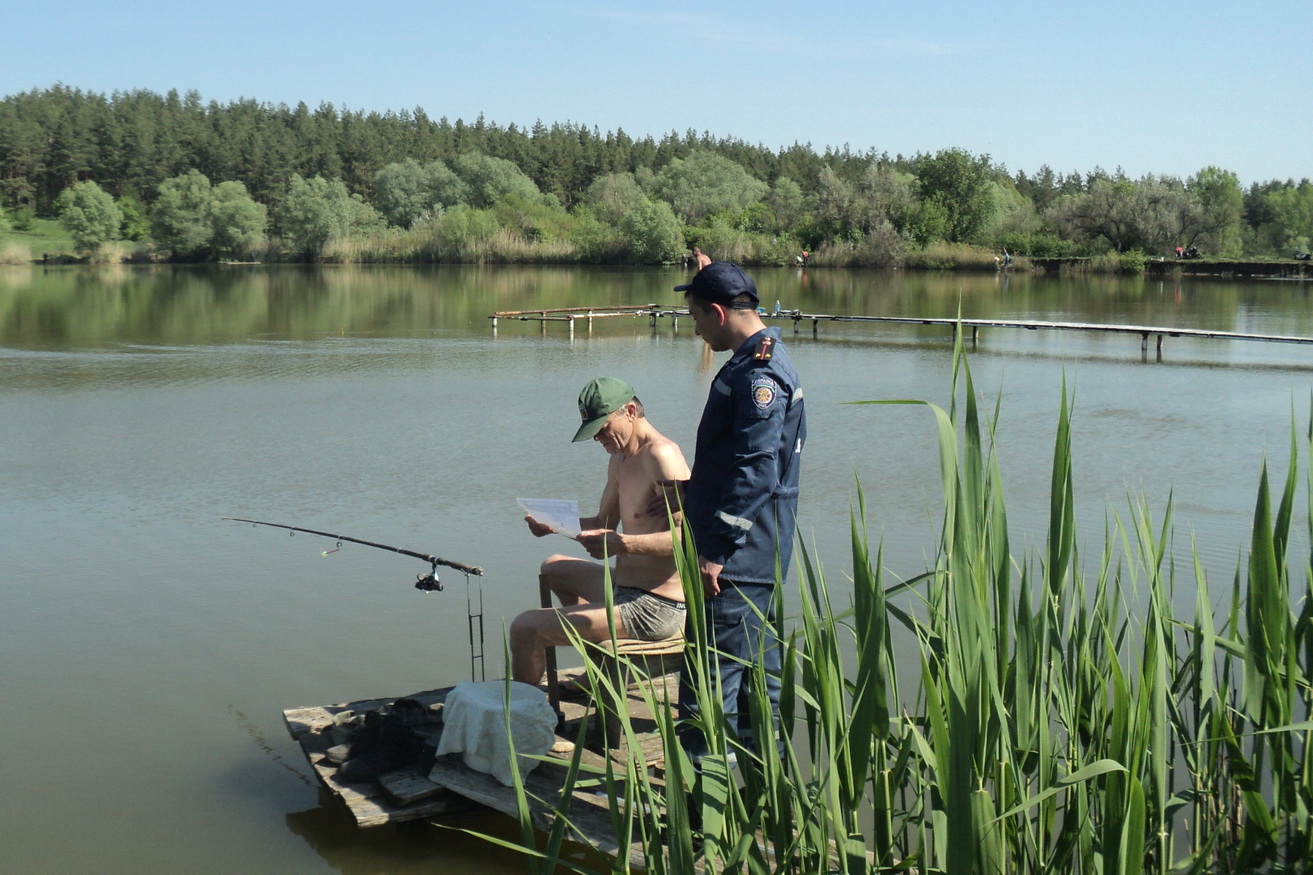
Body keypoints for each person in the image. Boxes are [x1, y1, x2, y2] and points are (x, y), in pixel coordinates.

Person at [658, 261, 806, 764]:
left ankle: (701, 829)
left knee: (707, 693)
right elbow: (740, 463)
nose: (695, 328)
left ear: (719, 312)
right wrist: (690, 489)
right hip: (756, 561)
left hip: (737, 565)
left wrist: (715, 552)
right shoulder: (759, 359)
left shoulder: (758, 374)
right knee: (756, 694)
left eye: (697, 317)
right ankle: (770, 810)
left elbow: (757, 470)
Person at [509, 377, 691, 688]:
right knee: (553, 566)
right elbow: (601, 524)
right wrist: (551, 525)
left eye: (602, 428)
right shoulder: (620, 459)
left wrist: (623, 545)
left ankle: (529, 722)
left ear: (630, 411)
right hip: (623, 588)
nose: (597, 438)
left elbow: (687, 541)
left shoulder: (662, 456)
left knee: (525, 628)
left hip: (656, 607)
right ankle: (597, 671)